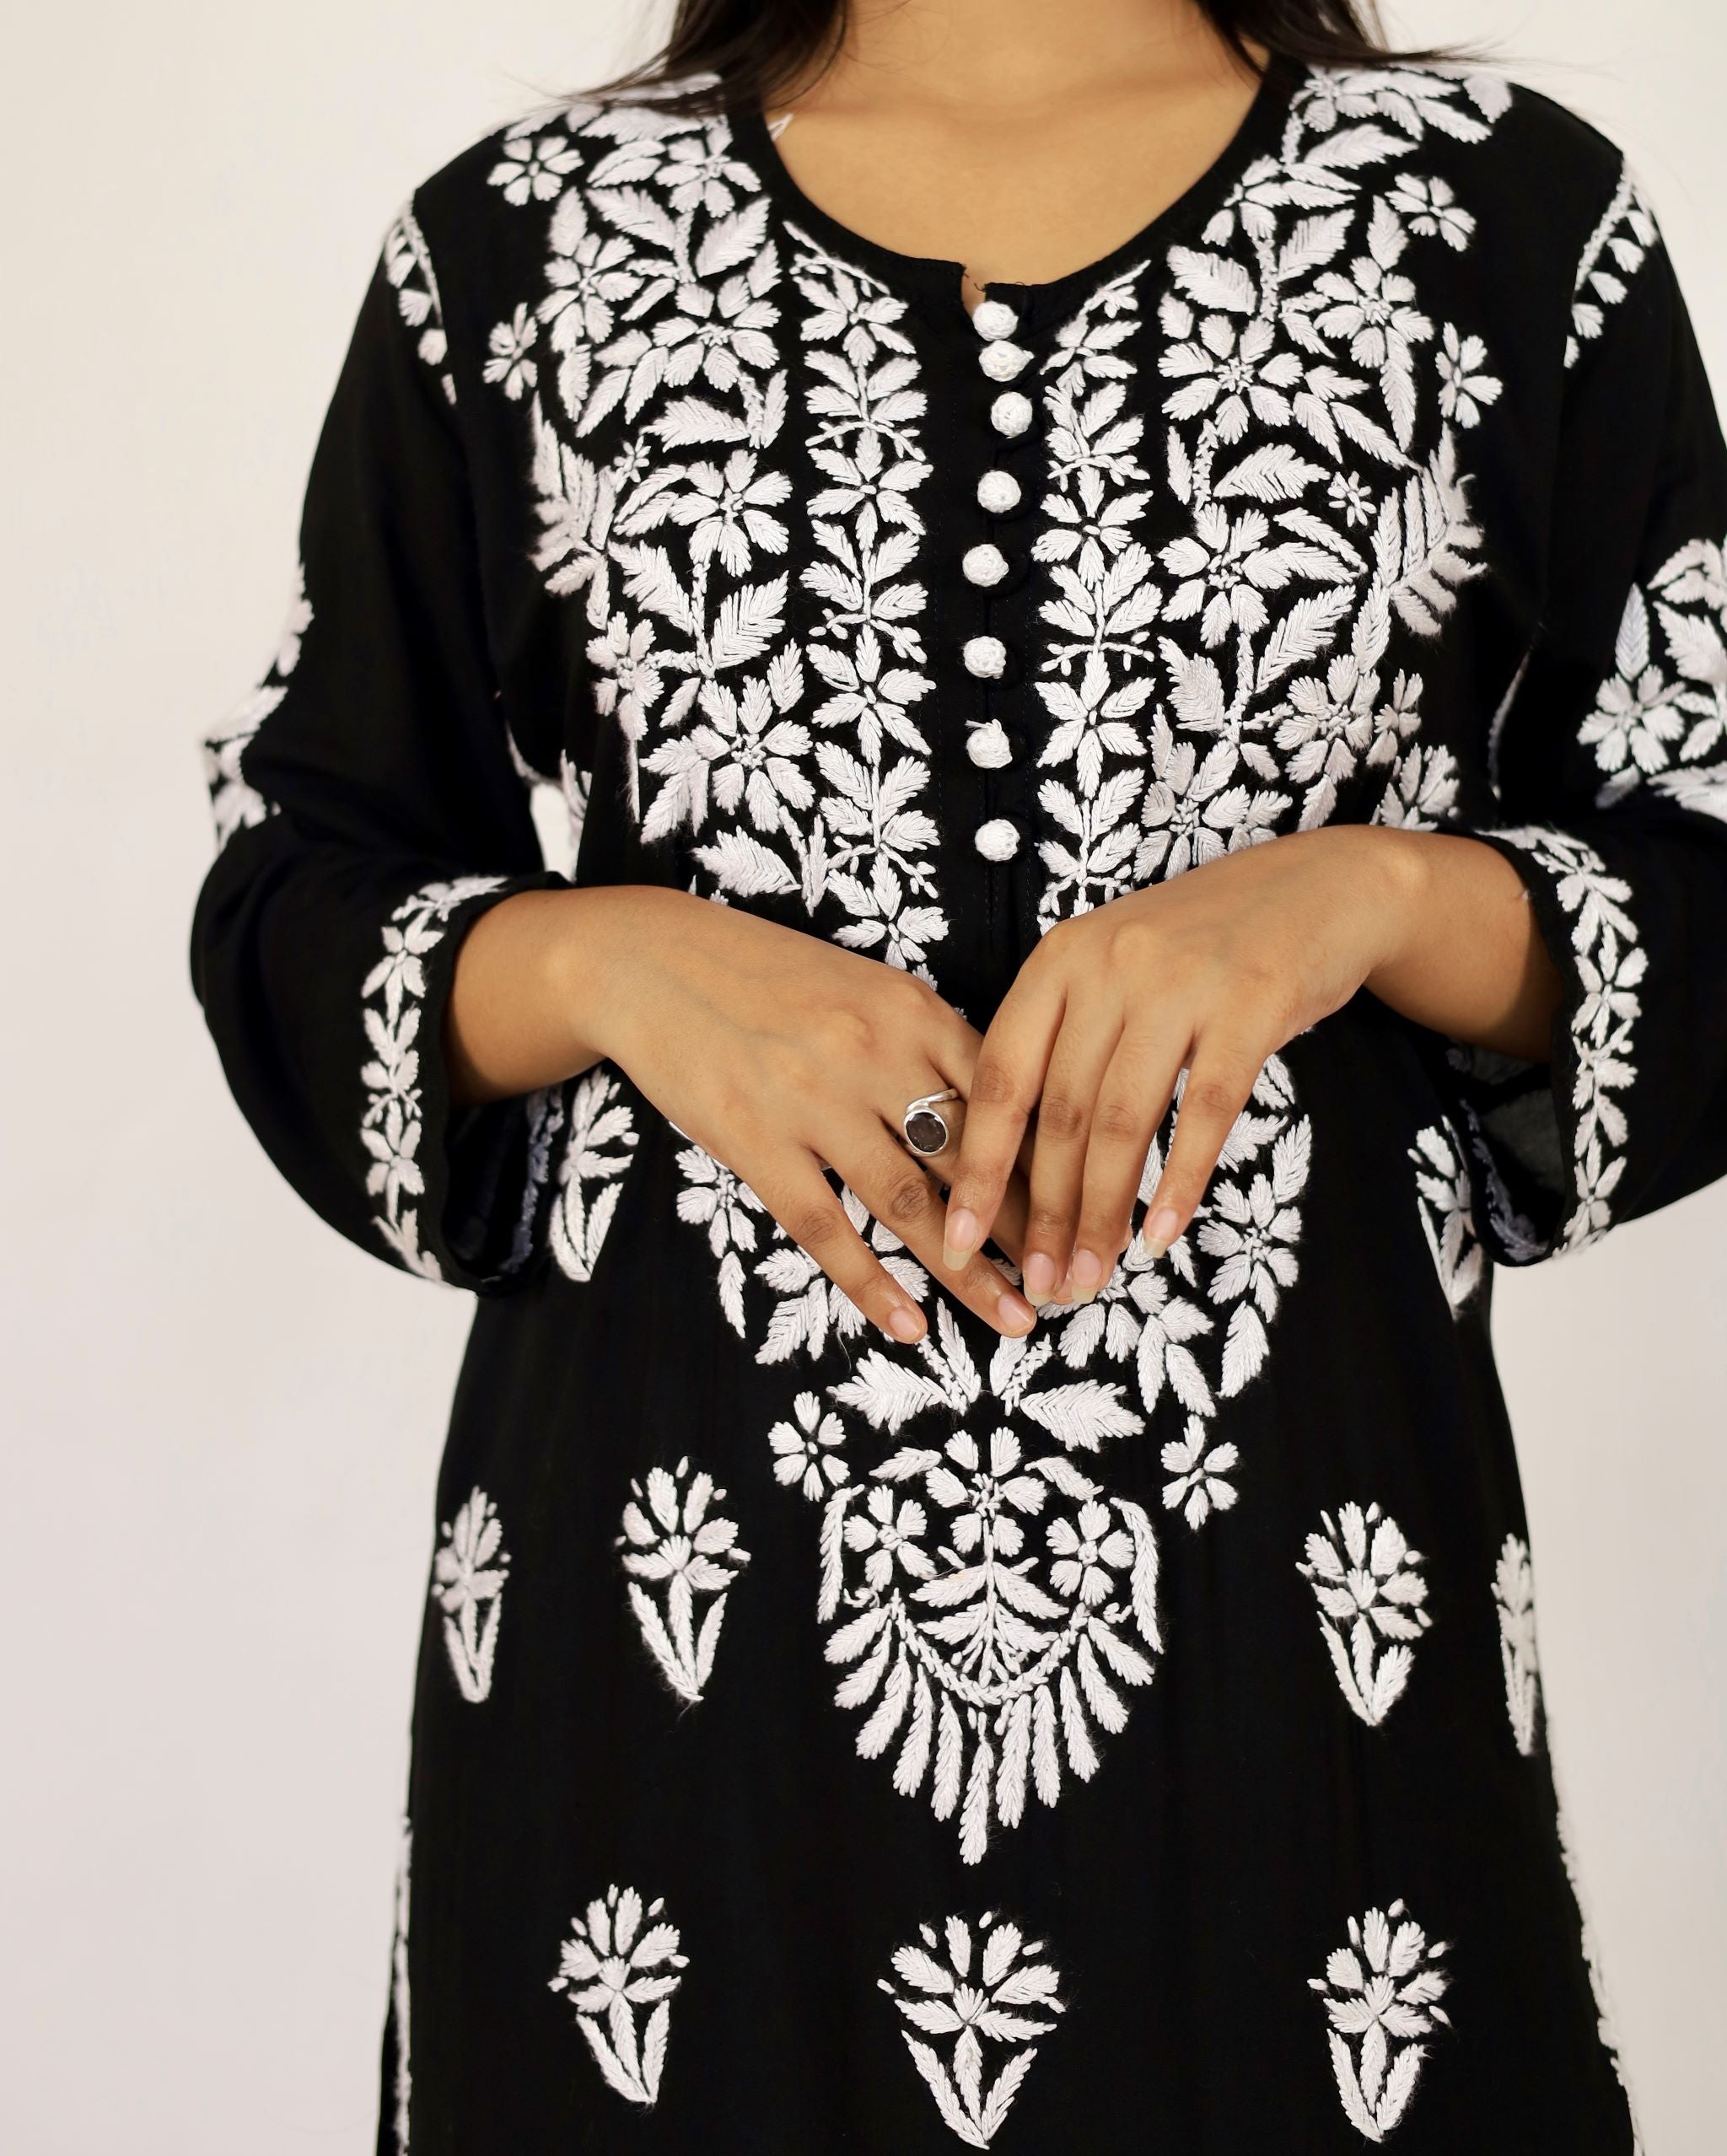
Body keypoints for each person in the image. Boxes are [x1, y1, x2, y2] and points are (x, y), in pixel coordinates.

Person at [191, 2, 1727, 2147]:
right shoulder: (528, 241)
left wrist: (1364, 894)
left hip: (1300, 1659)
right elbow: (294, 888)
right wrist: (619, 959)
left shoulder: (1498, 219)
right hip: (667, 1674)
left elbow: (1706, 871)